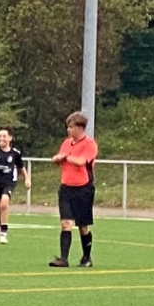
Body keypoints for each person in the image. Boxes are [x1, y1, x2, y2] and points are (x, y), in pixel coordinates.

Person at [50, 112, 97, 268]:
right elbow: (58, 158)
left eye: (71, 127)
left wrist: (66, 157)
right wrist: (58, 158)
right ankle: (63, 259)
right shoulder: (66, 143)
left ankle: (87, 257)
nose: (68, 130)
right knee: (66, 223)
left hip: (83, 188)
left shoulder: (89, 144)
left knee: (83, 226)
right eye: (68, 127)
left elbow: (81, 161)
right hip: (66, 188)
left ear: (80, 128)